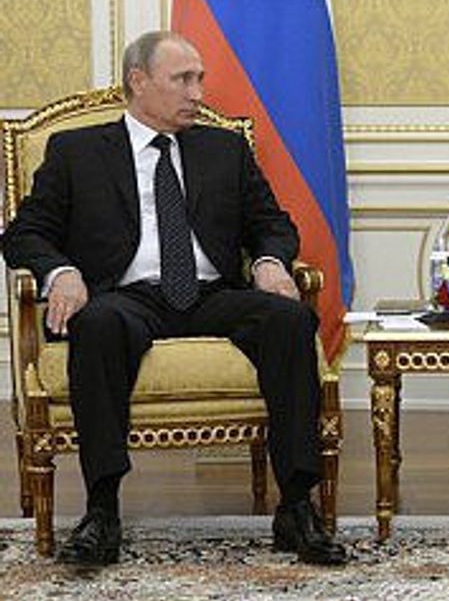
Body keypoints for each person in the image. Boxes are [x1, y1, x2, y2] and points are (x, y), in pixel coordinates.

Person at [1, 31, 347, 567]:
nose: (198, 93)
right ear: (139, 81)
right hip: (127, 297)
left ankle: (297, 505)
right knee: (97, 323)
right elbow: (25, 234)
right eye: (183, 79)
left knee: (290, 318)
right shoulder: (77, 151)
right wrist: (61, 272)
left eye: (200, 79)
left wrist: (269, 261)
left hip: (212, 295)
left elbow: (271, 224)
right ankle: (102, 511)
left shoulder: (224, 148)